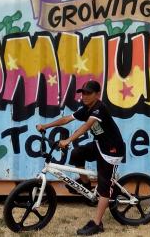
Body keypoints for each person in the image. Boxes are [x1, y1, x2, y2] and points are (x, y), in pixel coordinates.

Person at [36, 80, 125, 236]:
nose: (84, 96)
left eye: (88, 93)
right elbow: (66, 119)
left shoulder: (99, 109)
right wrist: (46, 126)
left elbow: (86, 127)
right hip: (99, 145)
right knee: (77, 153)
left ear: (97, 95)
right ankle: (87, 186)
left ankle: (97, 224)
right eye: (82, 93)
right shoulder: (86, 108)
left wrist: (68, 140)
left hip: (111, 150)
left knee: (104, 187)